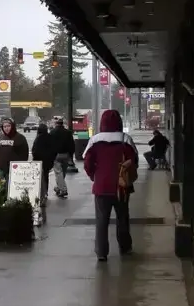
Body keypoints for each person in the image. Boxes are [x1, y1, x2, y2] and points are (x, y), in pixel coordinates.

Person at [83, 109, 139, 261]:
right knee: (122, 218)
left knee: (101, 221)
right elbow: (134, 161)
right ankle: (125, 247)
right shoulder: (125, 139)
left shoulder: (95, 140)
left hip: (101, 186)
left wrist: (94, 176)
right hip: (122, 187)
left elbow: (87, 162)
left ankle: (101, 252)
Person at [31, 123, 57, 205]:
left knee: (39, 177)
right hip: (48, 161)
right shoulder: (51, 138)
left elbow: (34, 150)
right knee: (46, 176)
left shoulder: (38, 139)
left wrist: (35, 158)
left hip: (39, 161)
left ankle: (40, 191)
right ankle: (45, 191)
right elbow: (54, 150)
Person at [49, 118, 74, 198]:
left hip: (56, 155)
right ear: (62, 124)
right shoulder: (68, 133)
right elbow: (72, 145)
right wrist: (71, 156)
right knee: (63, 173)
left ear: (56, 124)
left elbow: (50, 145)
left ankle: (63, 190)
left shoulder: (52, 132)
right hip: (66, 155)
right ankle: (59, 187)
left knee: (58, 173)